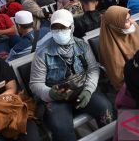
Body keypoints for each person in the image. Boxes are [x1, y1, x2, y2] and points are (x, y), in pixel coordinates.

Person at [30, 9, 113, 141]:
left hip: (81, 88)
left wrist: (88, 90)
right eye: (55, 28)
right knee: (60, 128)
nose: (59, 31)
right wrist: (50, 93)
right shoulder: (42, 52)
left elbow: (92, 69)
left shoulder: (81, 45)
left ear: (72, 28)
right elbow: (35, 83)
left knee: (106, 109)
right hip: (56, 96)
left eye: (63, 28)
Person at [99, 6, 139, 89]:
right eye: (126, 21)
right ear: (116, 25)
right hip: (131, 82)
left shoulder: (133, 27)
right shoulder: (110, 48)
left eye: (129, 18)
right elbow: (120, 79)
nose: (131, 22)